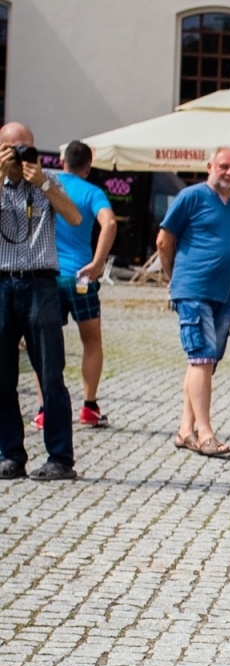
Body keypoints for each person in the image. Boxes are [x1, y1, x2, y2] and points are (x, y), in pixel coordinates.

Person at [0, 122, 81, 483]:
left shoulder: (48, 180)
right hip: (2, 283)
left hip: (41, 285)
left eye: (27, 147)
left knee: (50, 374)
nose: (21, 154)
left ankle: (60, 458)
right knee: (2, 376)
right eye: (13, 148)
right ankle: (10, 455)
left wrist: (43, 184)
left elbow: (75, 217)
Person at [158, 145, 230, 459]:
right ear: (210, 166)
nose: (228, 172)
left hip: (225, 294)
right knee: (202, 358)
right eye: (223, 166)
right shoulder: (191, 196)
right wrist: (174, 277)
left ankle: (185, 430)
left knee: (206, 363)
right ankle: (206, 434)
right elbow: (163, 240)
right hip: (194, 290)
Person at [52, 139, 117, 429]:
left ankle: (44, 409)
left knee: (46, 343)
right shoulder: (92, 192)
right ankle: (89, 406)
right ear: (88, 168)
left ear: (61, 161)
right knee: (91, 342)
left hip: (49, 275)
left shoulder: (49, 186)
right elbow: (110, 223)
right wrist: (98, 263)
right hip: (81, 276)